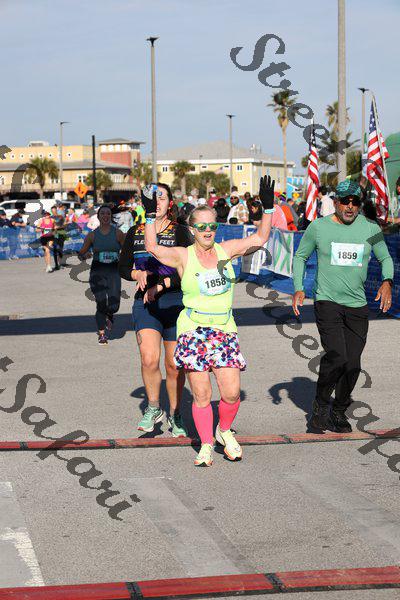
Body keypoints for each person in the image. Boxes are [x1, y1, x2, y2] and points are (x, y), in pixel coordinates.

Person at [143, 176, 275, 466]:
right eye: (201, 226)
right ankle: (205, 444)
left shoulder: (227, 251)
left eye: (212, 226)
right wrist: (150, 216)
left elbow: (260, 238)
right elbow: (153, 247)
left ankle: (223, 430)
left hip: (224, 330)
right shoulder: (183, 256)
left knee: (231, 393)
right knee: (202, 395)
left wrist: (268, 209)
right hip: (193, 331)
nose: (207, 231)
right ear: (192, 229)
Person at [292, 180, 394, 433]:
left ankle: (338, 411)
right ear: (336, 202)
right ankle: (320, 405)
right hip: (327, 301)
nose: (350, 206)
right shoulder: (318, 227)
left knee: (353, 364)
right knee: (337, 355)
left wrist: (387, 281)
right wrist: (298, 287)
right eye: (345, 201)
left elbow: (385, 257)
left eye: (355, 202)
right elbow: (300, 256)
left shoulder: (370, 228)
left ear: (360, 204)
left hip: (357, 305)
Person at [119, 183, 193, 436]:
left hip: (176, 303)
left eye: (162, 198)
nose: (157, 202)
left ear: (170, 203)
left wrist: (161, 286)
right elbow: (122, 267)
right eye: (153, 198)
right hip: (146, 305)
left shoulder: (180, 231)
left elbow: (189, 270)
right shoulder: (135, 231)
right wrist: (136, 273)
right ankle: (153, 407)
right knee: (149, 359)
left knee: (174, 366)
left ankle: (176, 413)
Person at [78, 205, 125, 345]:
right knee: (101, 302)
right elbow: (81, 254)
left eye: (108, 214)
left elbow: (126, 251)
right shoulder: (92, 235)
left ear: (111, 216)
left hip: (113, 271)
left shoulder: (118, 233)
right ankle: (102, 333)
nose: (105, 216)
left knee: (114, 306)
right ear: (98, 217)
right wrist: (85, 255)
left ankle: (110, 314)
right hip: (97, 271)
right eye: (102, 213)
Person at [51, 205, 67, 270]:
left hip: (61, 233)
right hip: (54, 234)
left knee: (60, 248)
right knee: (55, 248)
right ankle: (56, 265)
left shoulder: (61, 217)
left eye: (54, 211)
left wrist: (59, 227)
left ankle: (60, 263)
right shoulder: (51, 217)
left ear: (56, 210)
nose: (53, 212)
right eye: (52, 211)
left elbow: (65, 225)